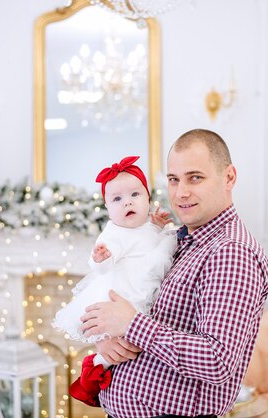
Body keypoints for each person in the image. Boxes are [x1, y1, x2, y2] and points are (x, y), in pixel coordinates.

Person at [80, 129, 268, 418]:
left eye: (195, 177)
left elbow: (217, 360)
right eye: (173, 179)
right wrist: (110, 338)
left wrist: (131, 324)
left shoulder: (231, 252)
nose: (181, 192)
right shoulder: (176, 239)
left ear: (229, 177)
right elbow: (140, 308)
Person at [52, 156, 176, 407]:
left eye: (134, 194)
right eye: (117, 199)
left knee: (131, 344)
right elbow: (104, 261)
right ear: (108, 207)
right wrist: (101, 258)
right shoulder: (114, 233)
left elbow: (156, 242)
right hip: (126, 294)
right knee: (126, 344)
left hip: (143, 289)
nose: (127, 202)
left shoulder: (148, 226)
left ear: (148, 199)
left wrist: (161, 228)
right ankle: (95, 370)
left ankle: (100, 366)